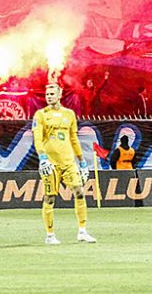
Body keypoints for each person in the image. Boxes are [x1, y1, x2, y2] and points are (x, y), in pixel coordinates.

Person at [33, 81, 96, 245]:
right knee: (49, 197)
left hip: (68, 162)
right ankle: (50, 235)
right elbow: (37, 138)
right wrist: (42, 158)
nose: (49, 97)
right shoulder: (40, 115)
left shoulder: (69, 114)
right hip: (50, 163)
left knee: (79, 191)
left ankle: (82, 231)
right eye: (47, 94)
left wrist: (82, 161)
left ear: (59, 95)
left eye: (52, 94)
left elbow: (74, 139)